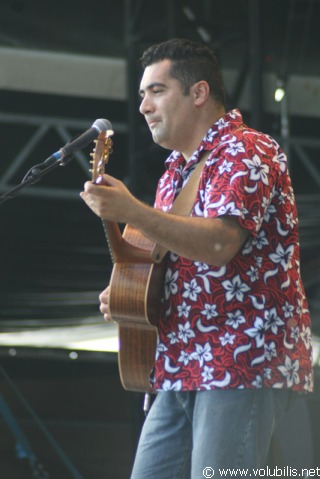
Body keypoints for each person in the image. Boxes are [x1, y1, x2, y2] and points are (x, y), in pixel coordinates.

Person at [80, 38, 313, 479]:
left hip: (241, 360)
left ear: (199, 92)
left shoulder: (247, 150)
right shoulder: (176, 171)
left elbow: (220, 246)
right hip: (181, 363)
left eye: (157, 91)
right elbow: (169, 256)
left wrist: (131, 211)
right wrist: (129, 292)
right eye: (141, 95)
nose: (144, 106)